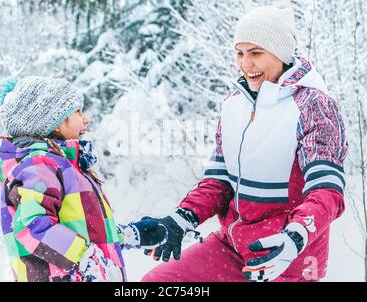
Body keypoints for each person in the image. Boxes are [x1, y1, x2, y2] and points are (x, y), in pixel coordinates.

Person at [138, 5, 349, 282]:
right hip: (232, 248)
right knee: (158, 283)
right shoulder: (233, 104)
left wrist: (296, 236)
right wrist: (182, 218)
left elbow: (326, 192)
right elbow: (218, 182)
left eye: (256, 53)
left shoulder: (314, 106)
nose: (245, 64)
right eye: (240, 53)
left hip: (288, 255)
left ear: (281, 54)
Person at [0, 76, 166, 282]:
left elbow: (85, 231)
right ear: (53, 121)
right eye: (77, 112)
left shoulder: (64, 166)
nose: (86, 119)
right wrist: (87, 261)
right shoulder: (39, 166)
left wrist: (130, 235)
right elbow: (32, 226)